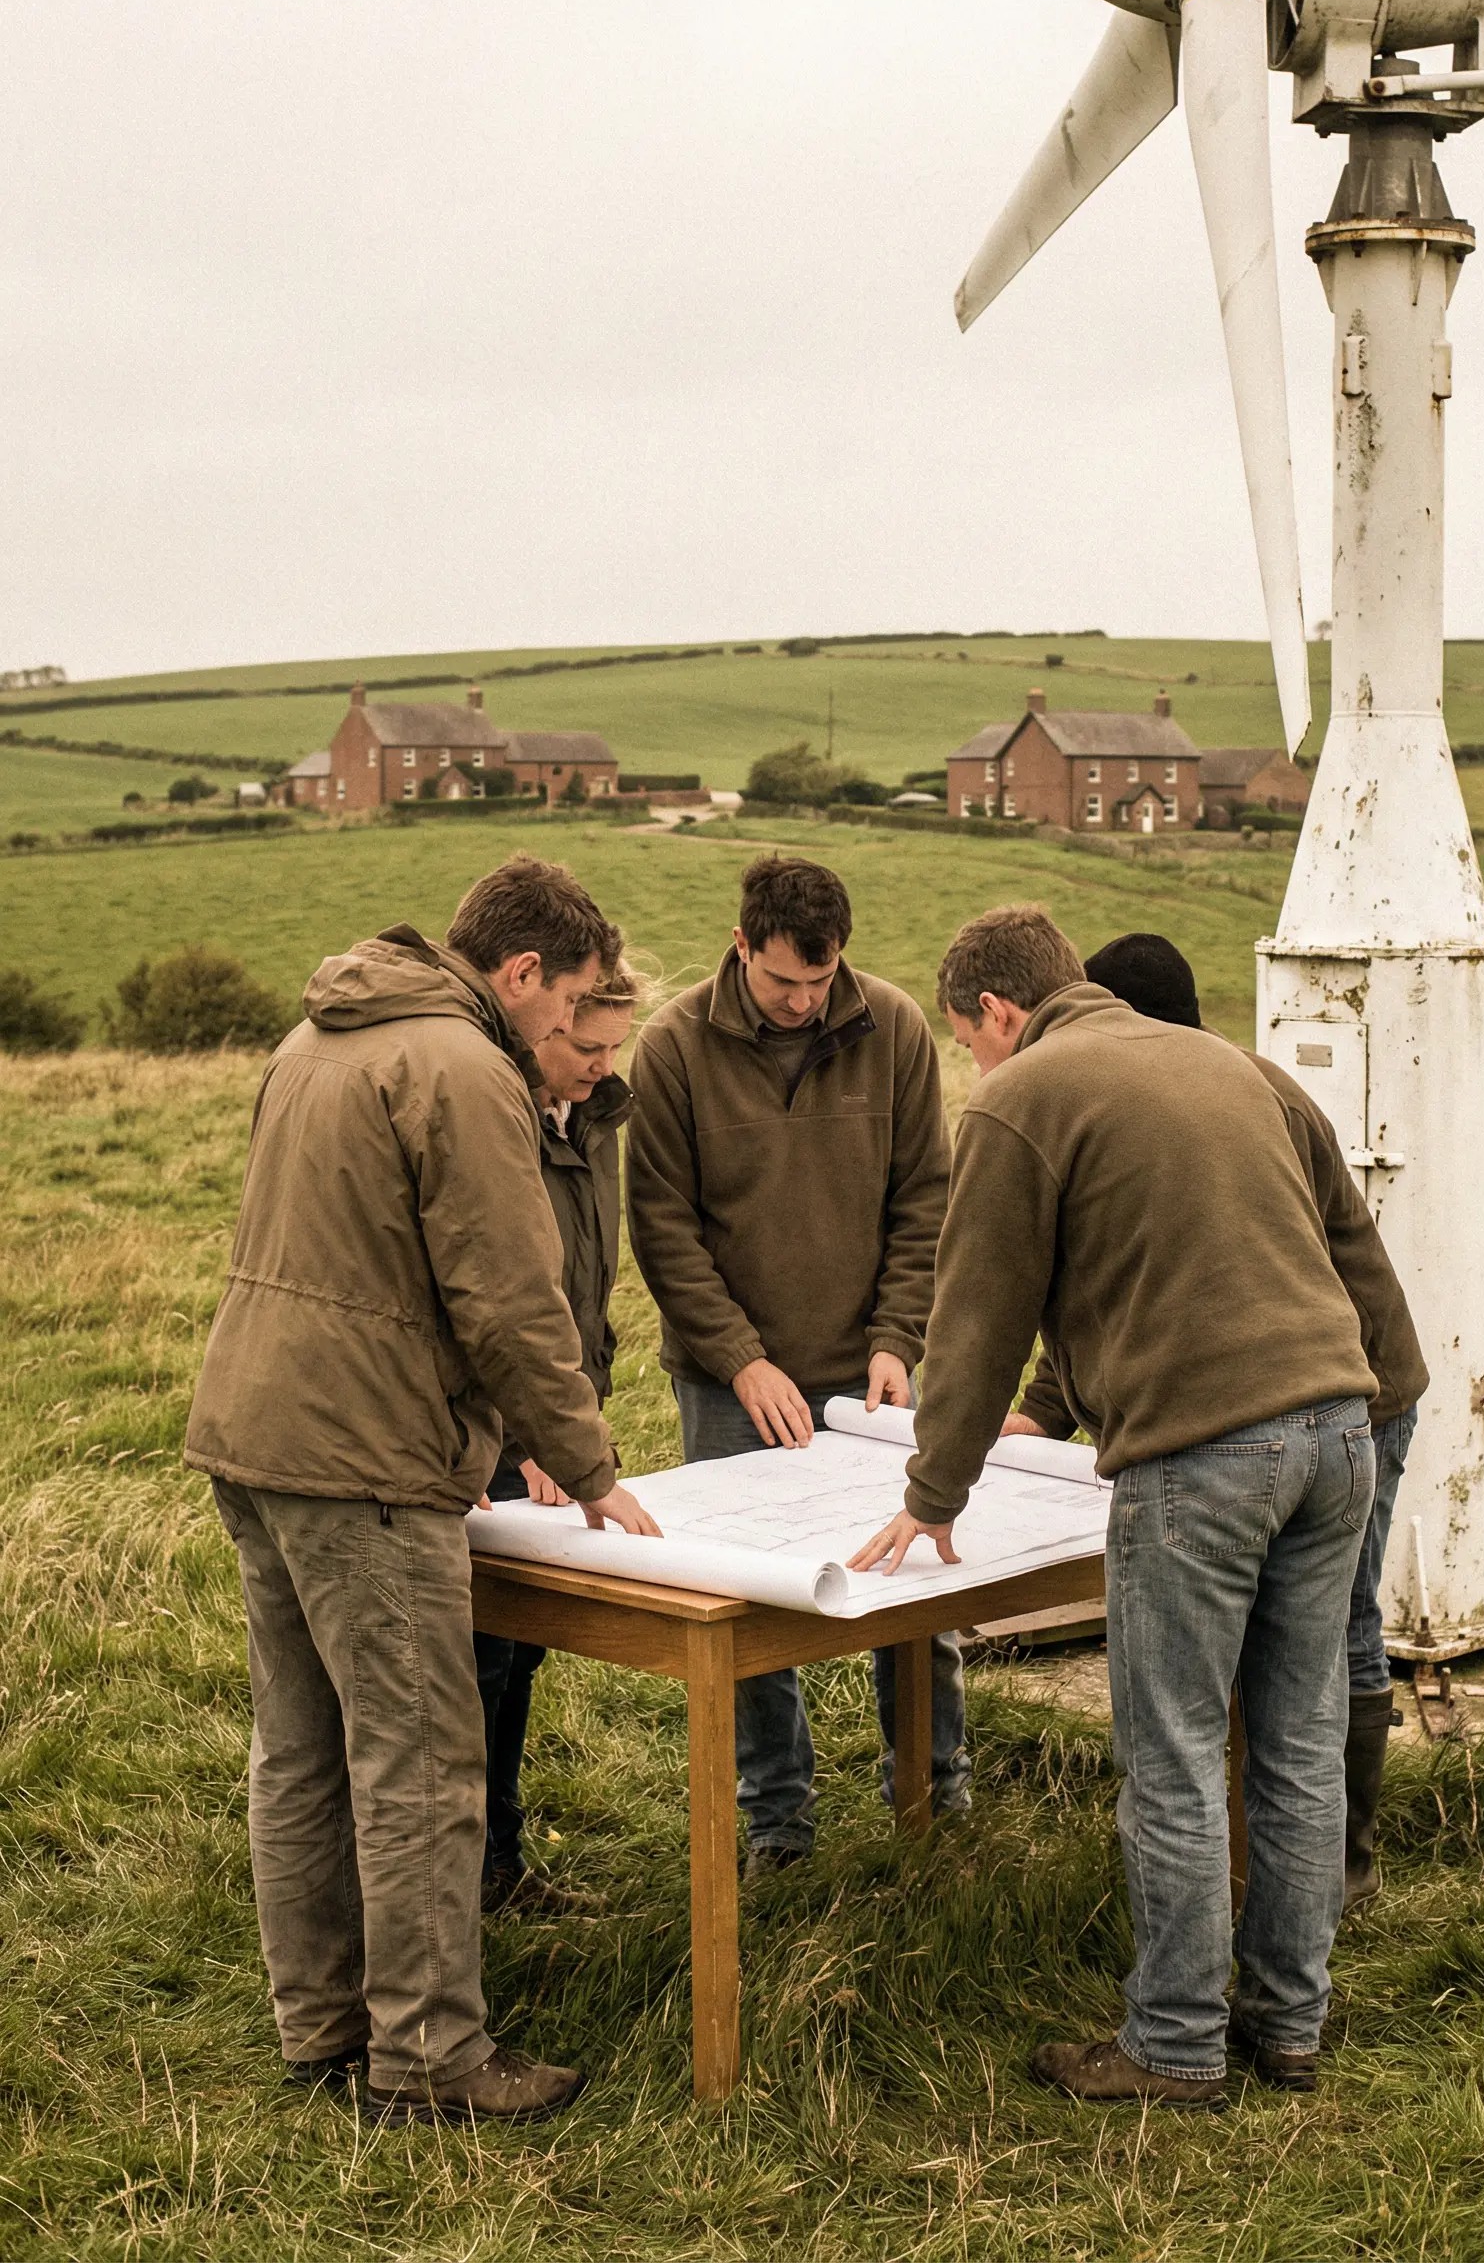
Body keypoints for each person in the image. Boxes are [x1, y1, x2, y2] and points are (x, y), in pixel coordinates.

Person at [852, 905, 1378, 2107]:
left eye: (968, 1040)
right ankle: (1287, 2024)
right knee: (1292, 1741)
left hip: (1203, 1451)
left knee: (1176, 1749)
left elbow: (975, 1316)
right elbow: (1350, 1242)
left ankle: (1176, 2042)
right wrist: (1371, 1405)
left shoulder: (1022, 1096)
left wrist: (934, 1494)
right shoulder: (1233, 1065)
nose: (977, 1066)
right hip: (1335, 1428)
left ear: (996, 1013)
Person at [185, 856, 661, 2128]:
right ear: (520, 975)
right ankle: (432, 2056)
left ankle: (325, 2023)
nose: (573, 1031)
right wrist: (592, 1463)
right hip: (368, 1455)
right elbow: (507, 1298)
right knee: (419, 1761)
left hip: (254, 1425)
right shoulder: (464, 1071)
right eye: (569, 1006)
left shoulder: (316, 1037)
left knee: (301, 1749)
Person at [1079, 931, 1426, 1909]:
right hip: (1316, 1388)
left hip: (1361, 1385)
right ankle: (1289, 1878)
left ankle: (1342, 1868)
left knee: (1338, 1623)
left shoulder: (1226, 1097)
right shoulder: (1227, 1085)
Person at [627, 854, 958, 1870]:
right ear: (740, 946)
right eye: (782, 982)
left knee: (911, 1588)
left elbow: (925, 1201)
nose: (803, 1000)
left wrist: (898, 1336)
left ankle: (934, 1798)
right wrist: (739, 1359)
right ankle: (776, 1820)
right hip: (734, 1382)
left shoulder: (894, 1027)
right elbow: (662, 1227)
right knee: (749, 1600)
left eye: (820, 981)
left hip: (872, 1379)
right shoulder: (672, 1046)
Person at [475, 959, 644, 1915]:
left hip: (559, 1423)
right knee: (481, 1653)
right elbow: (495, 1300)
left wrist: (580, 1416)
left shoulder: (594, 1118)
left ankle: (500, 1863)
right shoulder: (494, 1119)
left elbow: (582, 1288)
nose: (601, 1063)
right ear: (537, 1026)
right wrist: (537, 1436)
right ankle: (471, 1878)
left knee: (524, 1648)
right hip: (501, 1435)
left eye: (615, 1045)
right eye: (586, 1046)